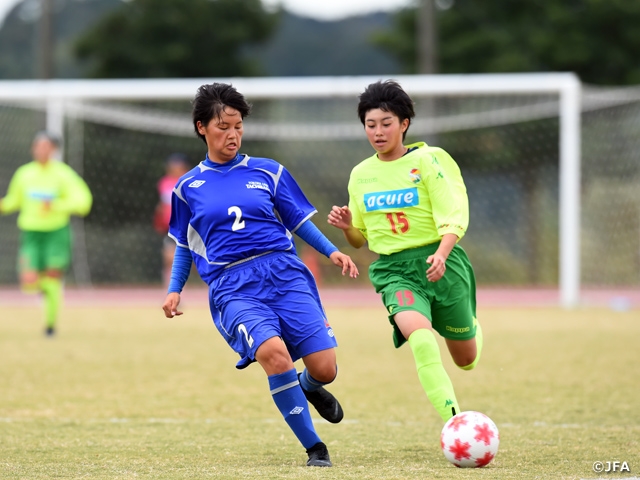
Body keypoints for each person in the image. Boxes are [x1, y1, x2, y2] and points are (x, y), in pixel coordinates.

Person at [161, 83, 359, 467]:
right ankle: (315, 449)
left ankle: (308, 386)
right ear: (202, 127)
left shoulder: (270, 171)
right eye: (223, 126)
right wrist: (175, 290)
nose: (232, 134)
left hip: (285, 275)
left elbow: (298, 221)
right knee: (273, 353)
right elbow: (186, 244)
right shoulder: (188, 188)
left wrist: (332, 251)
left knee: (325, 368)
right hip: (233, 286)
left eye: (237, 125)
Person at [327, 80, 483, 424]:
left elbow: (453, 212)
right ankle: (455, 422)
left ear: (404, 124)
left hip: (441, 262)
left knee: (466, 359)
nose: (378, 132)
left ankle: (470, 322)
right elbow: (360, 240)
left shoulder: (430, 160)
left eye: (386, 123)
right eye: (371, 125)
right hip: (395, 271)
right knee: (422, 339)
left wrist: (442, 253)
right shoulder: (361, 175)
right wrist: (349, 226)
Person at [0, 131, 93, 336]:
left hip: (56, 233)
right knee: (30, 279)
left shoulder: (64, 174)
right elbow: (12, 201)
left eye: (45, 146)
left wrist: (57, 205)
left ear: (53, 149)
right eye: (37, 146)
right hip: (31, 233)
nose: (41, 150)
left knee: (52, 277)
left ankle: (50, 326)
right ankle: (47, 290)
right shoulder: (24, 173)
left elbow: (83, 203)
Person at [153, 153, 191, 287]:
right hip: (172, 227)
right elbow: (163, 205)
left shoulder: (190, 181)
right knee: (170, 259)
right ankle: (172, 291)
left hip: (191, 226)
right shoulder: (164, 182)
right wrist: (158, 219)